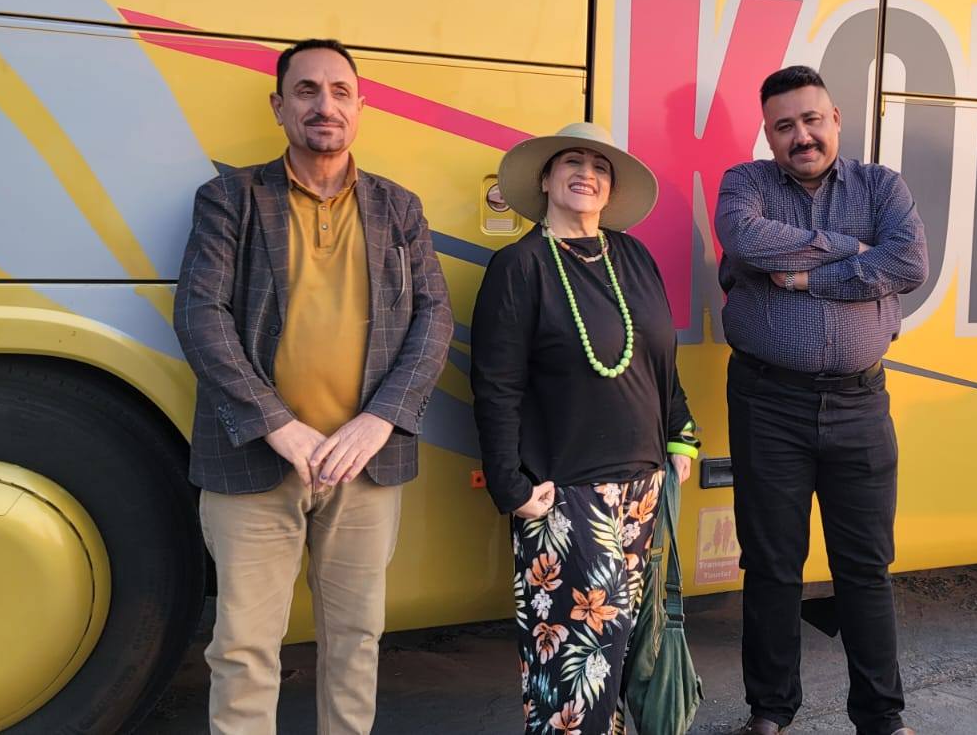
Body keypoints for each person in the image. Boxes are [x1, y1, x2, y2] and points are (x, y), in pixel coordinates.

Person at [173, 38, 452, 734]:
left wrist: (380, 419)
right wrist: (277, 423)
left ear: (360, 107)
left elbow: (434, 317)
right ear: (279, 106)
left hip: (365, 465)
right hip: (254, 460)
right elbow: (200, 315)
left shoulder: (399, 207)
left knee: (356, 643)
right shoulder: (230, 198)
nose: (325, 105)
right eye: (306, 91)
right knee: (243, 649)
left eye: (339, 91)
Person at [715, 66, 929, 735]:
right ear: (768, 134)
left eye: (811, 120)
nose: (801, 136)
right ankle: (770, 711)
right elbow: (745, 240)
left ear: (835, 119)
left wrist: (804, 279)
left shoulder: (881, 186)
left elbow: (909, 263)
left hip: (860, 405)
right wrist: (853, 252)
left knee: (865, 567)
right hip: (767, 402)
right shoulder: (745, 184)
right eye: (784, 126)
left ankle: (881, 717)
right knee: (771, 564)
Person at [471, 122, 702, 735]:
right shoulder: (519, 266)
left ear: (611, 189)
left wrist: (680, 429)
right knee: (577, 668)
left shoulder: (633, 256)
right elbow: (495, 385)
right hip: (564, 492)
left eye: (600, 167)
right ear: (545, 180)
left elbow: (660, 357)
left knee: (622, 652)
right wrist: (509, 485)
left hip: (643, 486)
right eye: (571, 162)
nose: (586, 174)